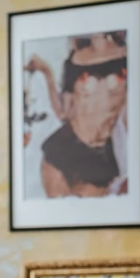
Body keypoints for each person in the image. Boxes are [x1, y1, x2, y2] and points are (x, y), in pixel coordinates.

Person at [25, 32, 128, 198]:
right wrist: (46, 72)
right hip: (63, 150)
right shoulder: (74, 64)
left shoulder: (127, 62)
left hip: (102, 155)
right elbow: (63, 113)